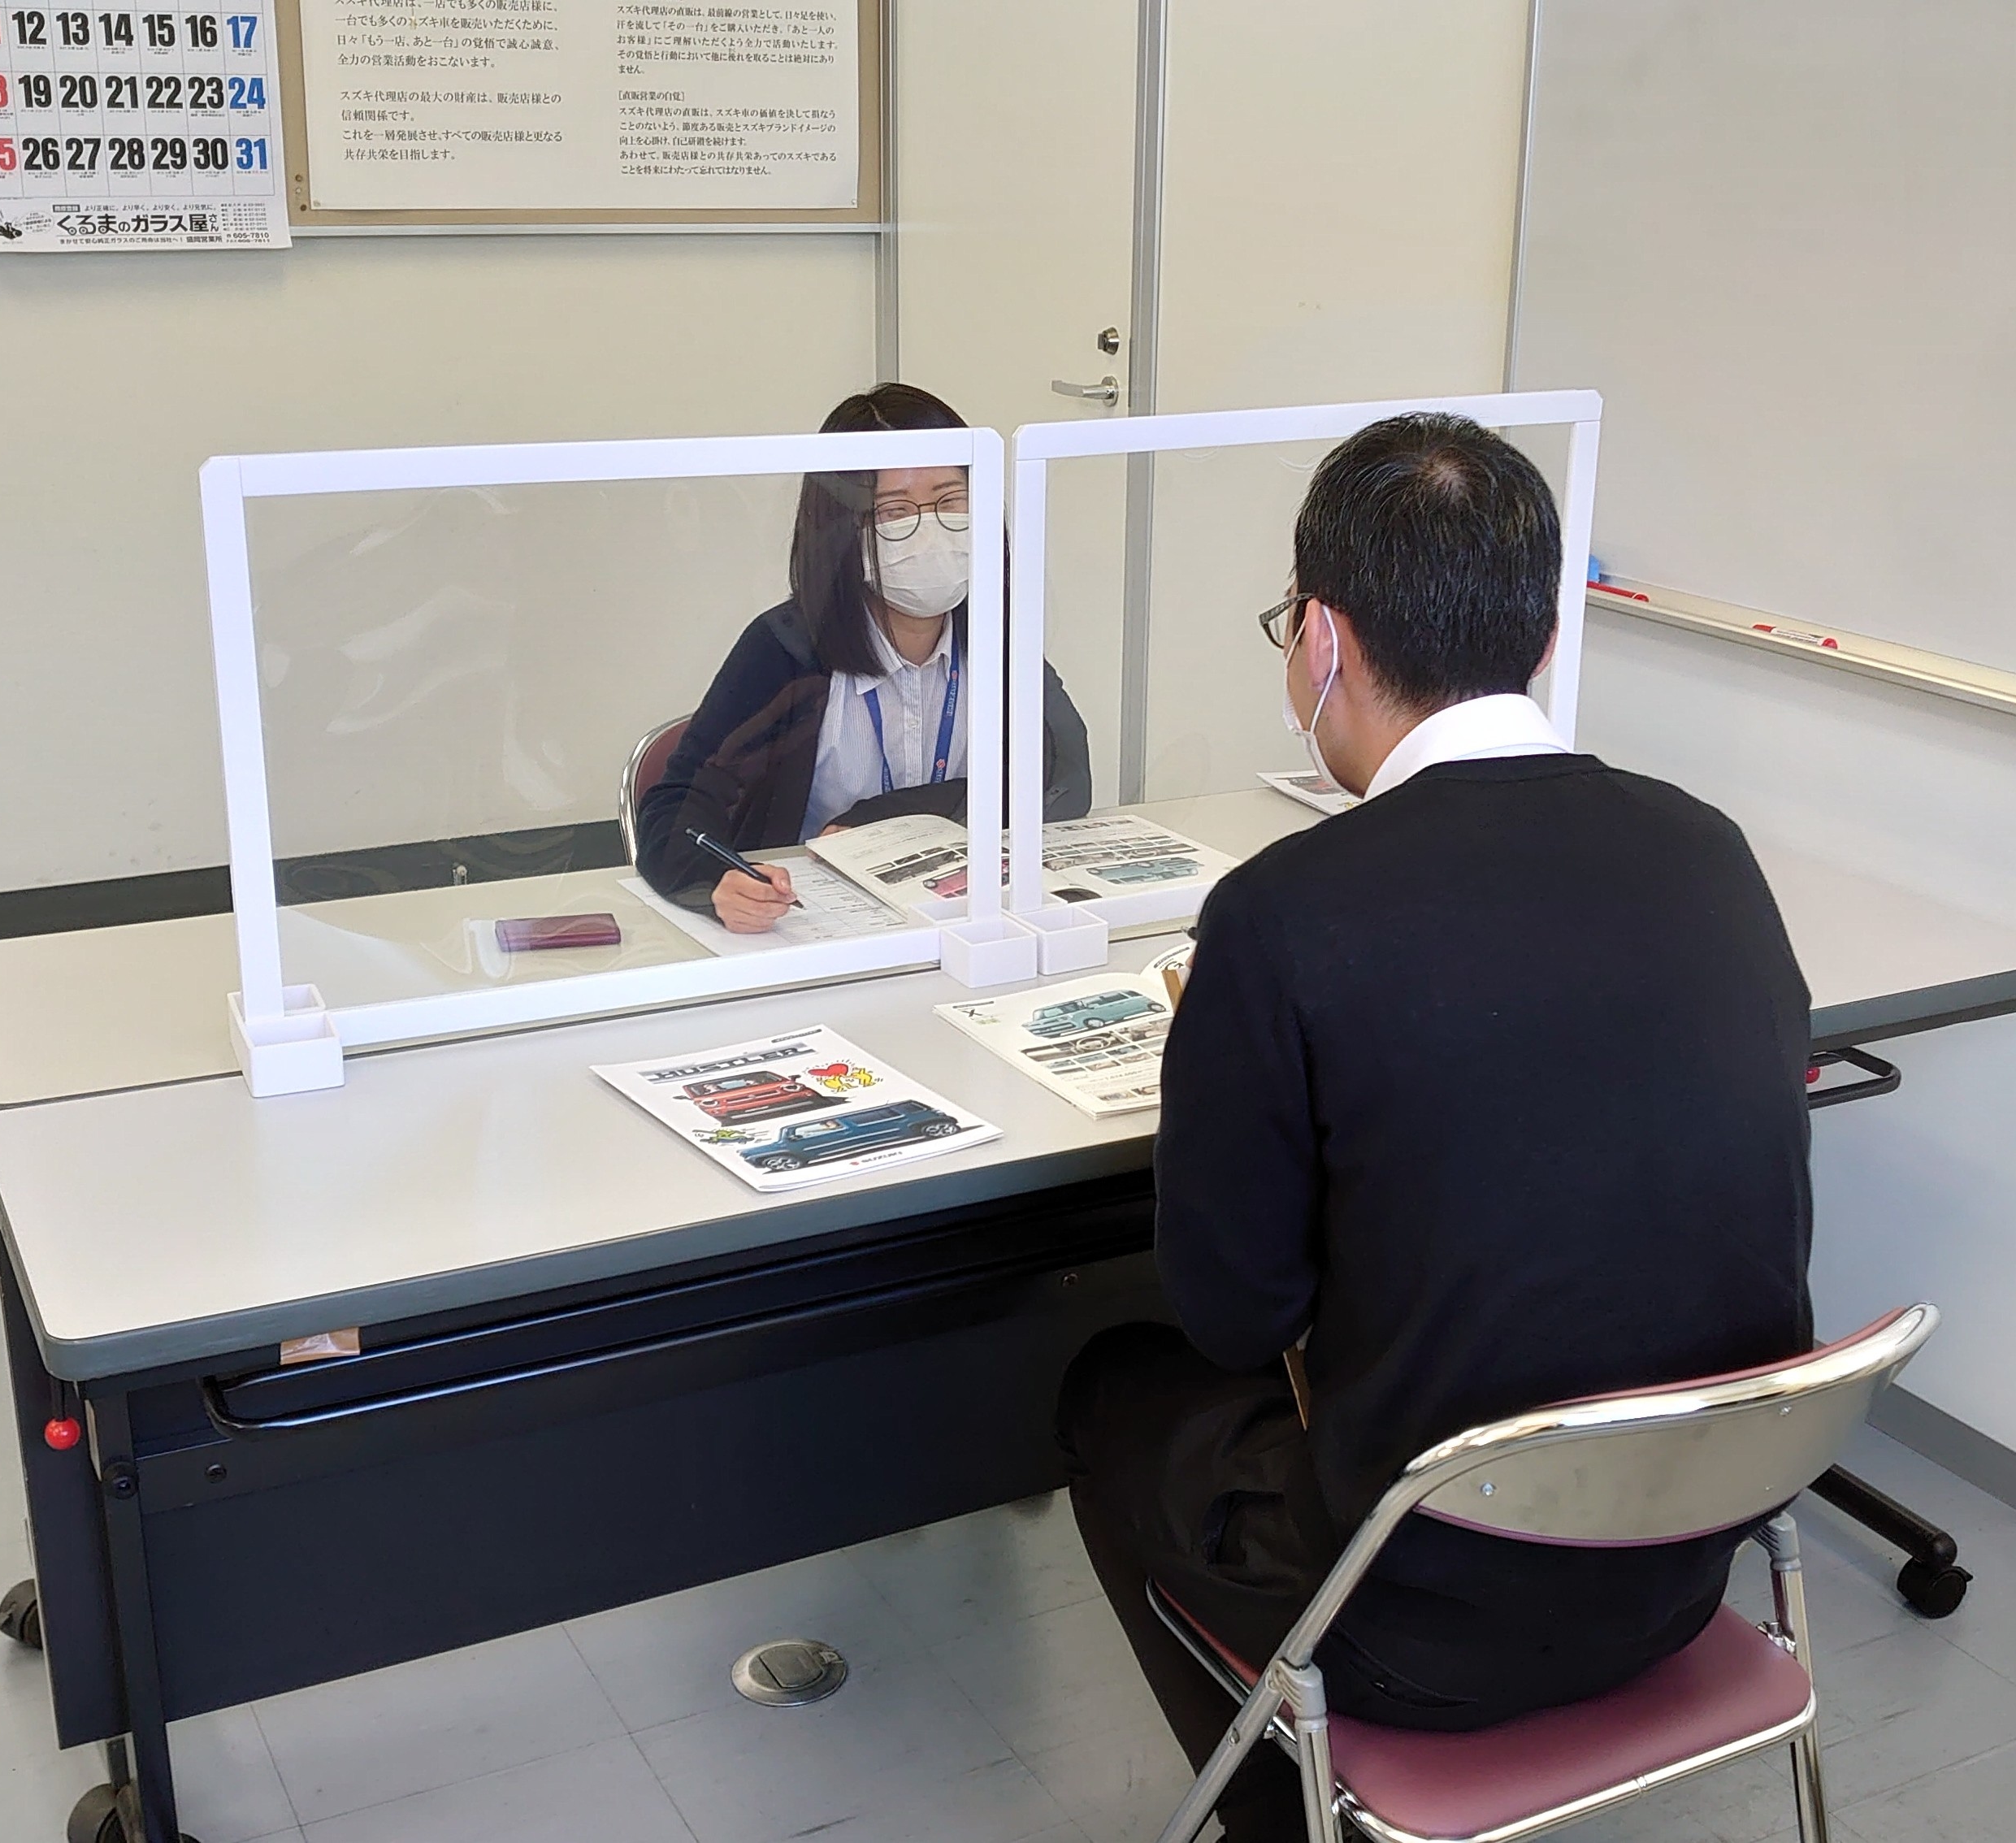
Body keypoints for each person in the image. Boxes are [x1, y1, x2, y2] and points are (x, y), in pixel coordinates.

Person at [1056, 413, 1818, 1841]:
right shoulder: (1707, 849)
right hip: (1679, 1565)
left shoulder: (1285, 913)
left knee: (1111, 1385)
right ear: (1540, 637)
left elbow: (1234, 1314)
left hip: (1413, 1620)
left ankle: (1283, 1810)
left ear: (1322, 638)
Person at [634, 383, 1092, 928]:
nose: (929, 530)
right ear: (840, 533)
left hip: (963, 913)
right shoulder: (787, 648)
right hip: (815, 920)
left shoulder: (996, 634)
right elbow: (675, 808)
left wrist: (885, 818)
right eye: (894, 511)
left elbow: (1063, 775)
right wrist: (714, 882)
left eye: (951, 501)